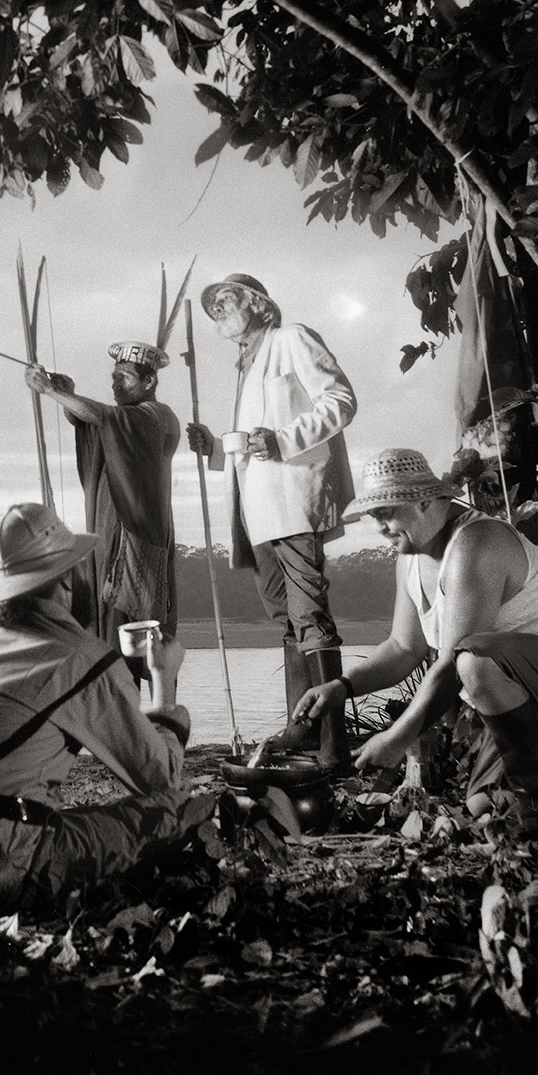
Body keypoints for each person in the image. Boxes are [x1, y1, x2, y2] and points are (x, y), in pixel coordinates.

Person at [280, 447, 538, 835]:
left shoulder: (476, 543)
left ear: (426, 502)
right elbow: (403, 648)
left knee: (474, 660)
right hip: (532, 700)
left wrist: (399, 737)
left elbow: (452, 666)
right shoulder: (412, 555)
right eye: (373, 516)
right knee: (483, 802)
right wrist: (342, 686)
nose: (379, 527)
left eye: (386, 513)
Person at [0, 503, 216, 905]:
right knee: (180, 808)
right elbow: (161, 778)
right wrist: (163, 677)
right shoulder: (81, 657)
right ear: (67, 578)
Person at [185, 274, 357, 765]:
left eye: (225, 301)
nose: (217, 310)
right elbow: (248, 446)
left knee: (309, 615)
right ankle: (302, 729)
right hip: (254, 508)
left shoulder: (291, 339)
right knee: (286, 618)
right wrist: (214, 449)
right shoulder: (246, 366)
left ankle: (332, 743)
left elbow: (341, 400)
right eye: (212, 306)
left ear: (258, 304)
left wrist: (283, 439)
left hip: (293, 498)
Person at [25, 341, 181, 643]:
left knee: (134, 629)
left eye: (125, 377)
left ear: (149, 382)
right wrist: (66, 393)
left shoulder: (156, 416)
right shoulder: (122, 420)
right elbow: (88, 419)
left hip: (138, 536)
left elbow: (101, 416)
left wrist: (51, 392)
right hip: (108, 530)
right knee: (107, 626)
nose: (116, 385)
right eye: (113, 378)